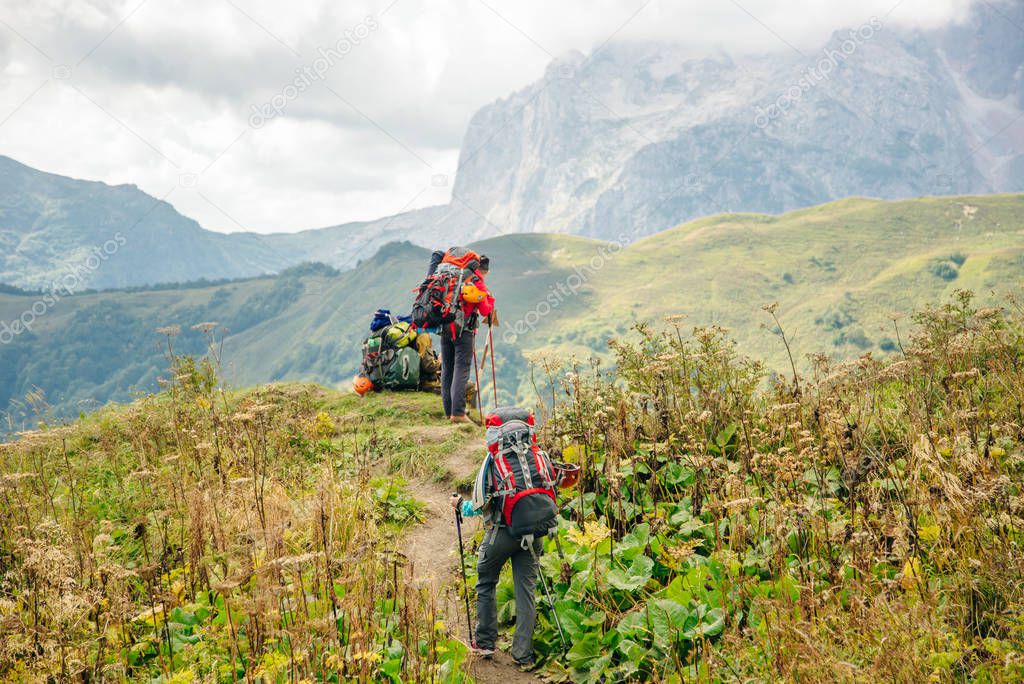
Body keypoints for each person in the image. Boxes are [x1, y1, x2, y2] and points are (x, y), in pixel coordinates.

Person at [450, 470, 541, 670]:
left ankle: (484, 643)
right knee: (526, 591)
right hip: (534, 532)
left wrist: (459, 505)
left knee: (486, 580)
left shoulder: (494, 462)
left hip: (502, 532)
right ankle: (523, 654)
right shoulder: (535, 456)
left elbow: (478, 505)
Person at [440, 253, 494, 423]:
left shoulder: (455, 277)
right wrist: (490, 299)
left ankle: (449, 412)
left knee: (447, 369)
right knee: (461, 369)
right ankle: (458, 414)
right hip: (464, 331)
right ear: (483, 271)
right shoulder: (477, 281)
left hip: (446, 327)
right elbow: (485, 310)